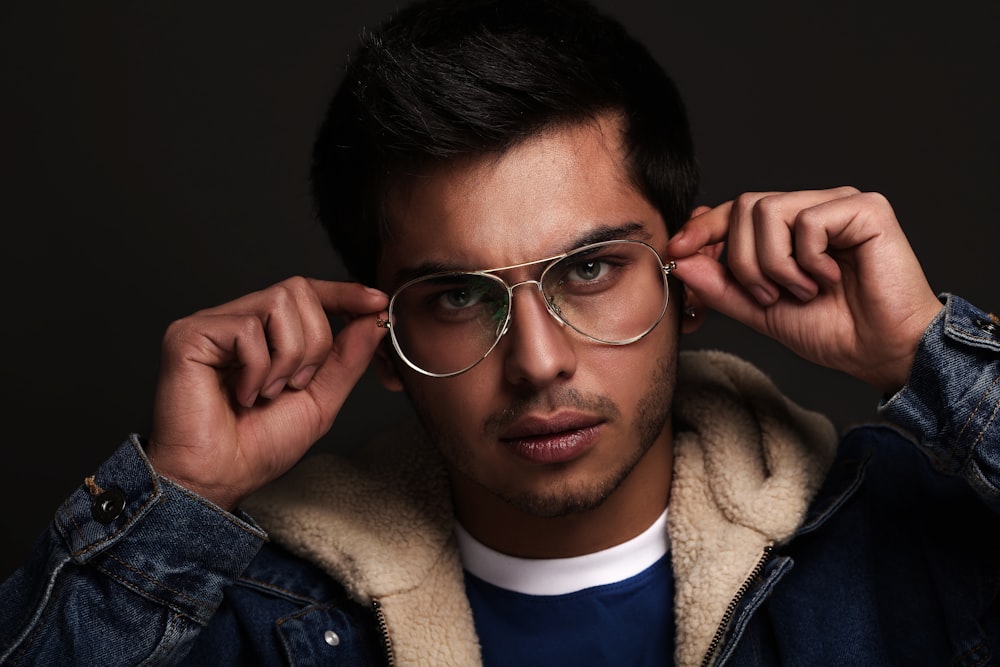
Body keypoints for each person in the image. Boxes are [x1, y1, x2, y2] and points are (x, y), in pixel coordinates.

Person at [1, 0, 998, 664]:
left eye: (592, 270)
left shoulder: (893, 552)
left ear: (688, 284)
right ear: (384, 339)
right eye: (457, 297)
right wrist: (179, 500)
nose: (538, 361)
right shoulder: (258, 612)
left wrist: (922, 351)